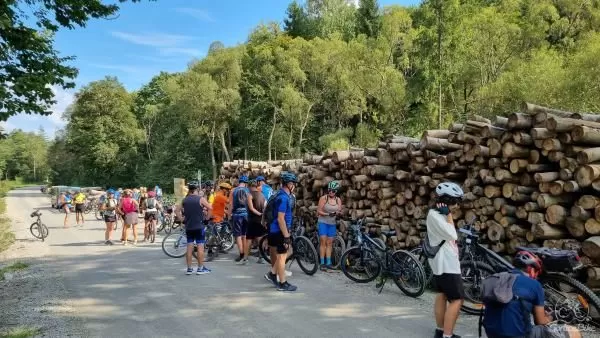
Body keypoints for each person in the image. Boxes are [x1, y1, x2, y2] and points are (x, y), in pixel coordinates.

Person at [483, 251, 581, 338]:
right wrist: (552, 316)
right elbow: (541, 322)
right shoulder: (534, 285)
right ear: (531, 269)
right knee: (573, 332)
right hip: (520, 335)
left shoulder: (497, 279)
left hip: (491, 333)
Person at [428, 182, 465, 338]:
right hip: (446, 264)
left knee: (442, 294)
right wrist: (449, 215)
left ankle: (440, 330)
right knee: (457, 300)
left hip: (440, 263)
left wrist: (447, 214)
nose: (456, 206)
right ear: (447, 201)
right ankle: (447, 335)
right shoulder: (436, 216)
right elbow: (453, 234)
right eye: (454, 202)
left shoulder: (436, 214)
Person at [264, 172, 298, 292]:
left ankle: (272, 274)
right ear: (289, 184)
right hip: (279, 230)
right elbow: (280, 218)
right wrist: (286, 236)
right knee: (283, 256)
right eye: (294, 183)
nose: (294, 186)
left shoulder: (278, 194)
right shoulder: (284, 198)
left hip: (274, 229)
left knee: (282, 255)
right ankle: (282, 284)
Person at [182, 181, 213, 275]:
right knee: (200, 247)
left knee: (189, 247)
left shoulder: (185, 200)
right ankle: (200, 269)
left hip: (189, 226)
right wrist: (207, 219)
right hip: (199, 226)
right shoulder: (201, 199)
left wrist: (182, 219)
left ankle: (189, 269)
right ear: (196, 189)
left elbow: (177, 210)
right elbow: (210, 208)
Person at [229, 175, 256, 264]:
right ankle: (245, 253)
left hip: (237, 215)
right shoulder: (248, 191)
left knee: (238, 235)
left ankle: (241, 253)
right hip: (246, 215)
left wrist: (229, 215)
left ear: (239, 182)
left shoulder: (233, 190)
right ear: (246, 183)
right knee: (244, 234)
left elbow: (231, 204)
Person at [317, 180, 342, 271]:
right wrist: (328, 214)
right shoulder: (324, 198)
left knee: (329, 243)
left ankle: (328, 262)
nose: (331, 192)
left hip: (332, 223)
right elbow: (319, 211)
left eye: (333, 191)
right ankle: (322, 263)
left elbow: (339, 210)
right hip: (323, 222)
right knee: (323, 242)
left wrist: (338, 213)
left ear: (336, 191)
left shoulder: (338, 200)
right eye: (329, 190)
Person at [246, 179, 267, 264]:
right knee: (260, 239)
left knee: (249, 239)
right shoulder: (262, 195)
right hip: (260, 221)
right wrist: (263, 215)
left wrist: (258, 214)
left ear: (250, 186)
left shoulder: (250, 195)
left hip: (252, 219)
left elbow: (251, 208)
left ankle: (245, 258)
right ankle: (261, 257)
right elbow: (265, 206)